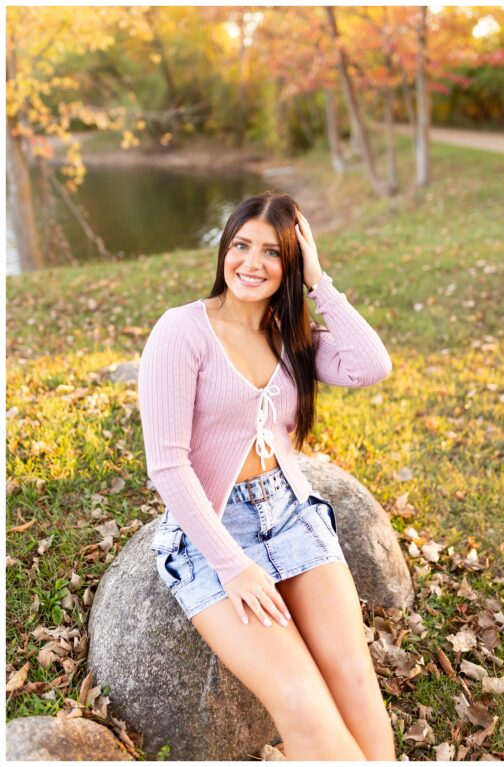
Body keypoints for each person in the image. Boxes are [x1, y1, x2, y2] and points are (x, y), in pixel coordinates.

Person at [138, 192, 396, 759]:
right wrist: (234, 566)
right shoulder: (181, 331)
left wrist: (320, 281)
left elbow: (371, 364)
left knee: (354, 679)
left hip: (290, 512)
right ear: (223, 251)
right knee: (301, 701)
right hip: (211, 533)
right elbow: (166, 463)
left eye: (271, 253)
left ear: (291, 265)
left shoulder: (292, 338)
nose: (251, 264)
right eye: (240, 246)